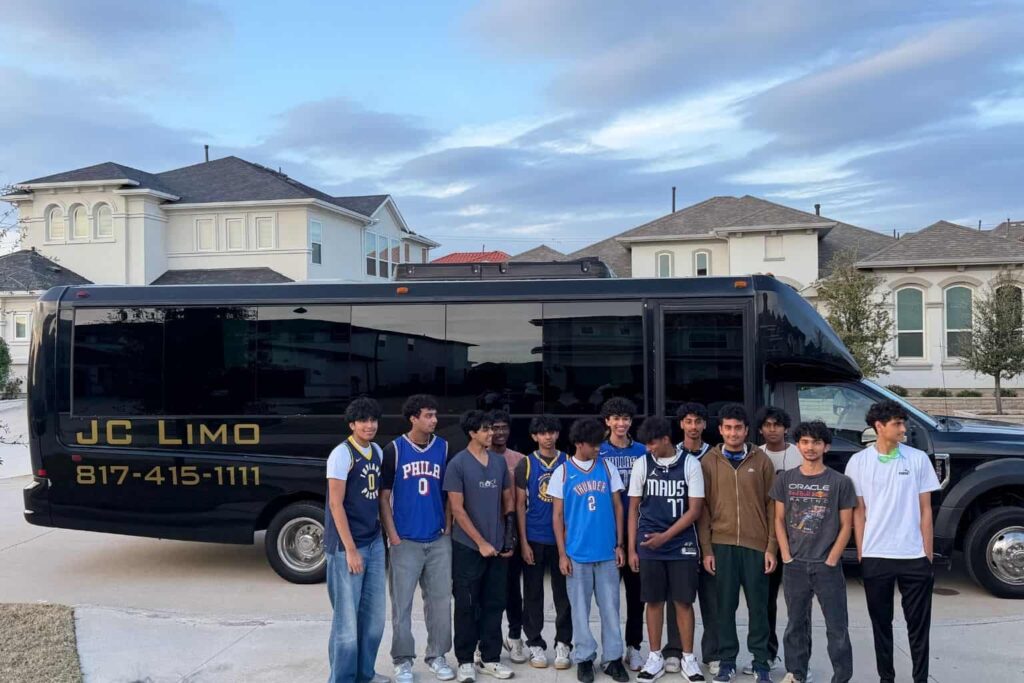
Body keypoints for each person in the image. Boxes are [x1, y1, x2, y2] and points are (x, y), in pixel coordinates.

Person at [845, 401, 940, 683]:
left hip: (914, 557)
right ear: (879, 427)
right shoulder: (858, 462)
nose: (903, 428)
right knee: (881, 625)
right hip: (876, 556)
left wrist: (928, 554)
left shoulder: (917, 459)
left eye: (903, 423)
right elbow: (858, 513)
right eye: (897, 424)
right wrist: (863, 553)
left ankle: (920, 679)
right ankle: (887, 678)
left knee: (919, 627)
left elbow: (926, 510)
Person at [771, 421, 856, 683]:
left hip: (826, 566)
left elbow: (846, 525)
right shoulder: (786, 479)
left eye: (816, 442)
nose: (810, 447)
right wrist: (785, 555)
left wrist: (832, 558)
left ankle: (841, 677)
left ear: (826, 446)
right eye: (805, 442)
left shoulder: (840, 482)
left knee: (837, 627)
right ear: (798, 445)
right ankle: (796, 673)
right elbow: (778, 520)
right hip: (794, 564)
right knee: (795, 624)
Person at [698, 403, 777, 683]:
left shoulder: (762, 461)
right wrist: (707, 549)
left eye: (738, 428)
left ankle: (760, 661)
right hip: (721, 545)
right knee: (724, 607)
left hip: (756, 547)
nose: (733, 433)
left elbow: (772, 506)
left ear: (746, 430)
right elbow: (703, 508)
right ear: (720, 430)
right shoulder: (708, 462)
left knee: (759, 607)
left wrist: (771, 547)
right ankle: (727, 660)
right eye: (728, 428)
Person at [380, 395, 456, 683]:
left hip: (437, 538)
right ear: (413, 418)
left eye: (435, 415)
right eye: (427, 415)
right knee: (401, 604)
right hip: (406, 540)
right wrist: (393, 536)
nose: (434, 420)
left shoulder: (444, 447)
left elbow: (450, 493)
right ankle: (402, 660)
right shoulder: (395, 450)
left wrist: (447, 528)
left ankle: (437, 655)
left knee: (439, 602)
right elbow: (384, 498)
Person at [551, 418, 630, 683]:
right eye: (594, 443)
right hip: (577, 554)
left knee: (610, 609)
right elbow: (557, 515)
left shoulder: (607, 467)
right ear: (579, 443)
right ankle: (584, 657)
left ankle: (612, 658)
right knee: (580, 610)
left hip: (607, 552)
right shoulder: (562, 472)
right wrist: (562, 554)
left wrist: (620, 544)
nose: (599, 447)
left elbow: (618, 506)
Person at [628, 416, 707, 683]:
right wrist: (631, 549)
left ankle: (688, 657)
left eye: (652, 443)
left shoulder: (690, 464)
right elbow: (632, 510)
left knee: (683, 601)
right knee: (653, 601)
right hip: (649, 543)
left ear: (665, 439)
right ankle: (654, 656)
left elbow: (695, 510)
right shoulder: (642, 464)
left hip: (681, 544)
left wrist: (666, 537)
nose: (648, 448)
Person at [444, 410, 517, 682]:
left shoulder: (498, 463)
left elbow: (508, 499)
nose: (492, 433)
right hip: (468, 547)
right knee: (466, 604)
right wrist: (481, 542)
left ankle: (490, 658)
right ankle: (465, 660)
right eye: (486, 429)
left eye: (492, 429)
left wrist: (508, 534)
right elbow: (457, 510)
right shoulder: (458, 464)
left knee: (494, 603)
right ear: (472, 433)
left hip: (497, 546)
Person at [326, 397, 389, 683]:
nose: (369, 425)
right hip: (347, 547)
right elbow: (336, 505)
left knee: (374, 620)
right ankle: (342, 678)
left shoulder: (376, 450)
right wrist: (351, 550)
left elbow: (379, 499)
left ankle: (366, 674)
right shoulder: (342, 454)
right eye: (363, 421)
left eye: (373, 420)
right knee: (347, 625)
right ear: (352, 424)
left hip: (374, 541)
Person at [664, 402, 720, 676]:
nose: (694, 426)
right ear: (681, 424)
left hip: (710, 533)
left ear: (705, 425)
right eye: (688, 421)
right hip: (678, 534)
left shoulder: (715, 455)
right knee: (678, 597)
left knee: (711, 599)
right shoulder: (670, 454)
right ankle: (674, 650)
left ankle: (712, 652)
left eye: (698, 421)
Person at [515, 415, 572, 670]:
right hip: (535, 539)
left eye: (552, 432)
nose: (548, 436)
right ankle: (535, 643)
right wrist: (523, 542)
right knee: (533, 594)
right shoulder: (525, 464)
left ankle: (563, 643)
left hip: (563, 541)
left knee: (564, 595)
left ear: (558, 434)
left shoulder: (568, 462)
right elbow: (518, 506)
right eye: (542, 433)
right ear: (534, 436)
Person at [598, 397, 648, 672]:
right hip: (607, 534)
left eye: (625, 418)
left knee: (636, 596)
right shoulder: (599, 451)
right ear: (607, 421)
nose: (621, 423)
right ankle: (611, 649)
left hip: (637, 533)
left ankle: (634, 647)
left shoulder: (642, 451)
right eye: (615, 418)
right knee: (608, 599)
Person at [752, 406, 803, 675]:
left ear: (786, 428)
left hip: (797, 537)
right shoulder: (755, 455)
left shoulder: (798, 453)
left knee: (797, 604)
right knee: (766, 601)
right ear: (760, 429)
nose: (772, 429)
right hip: (765, 538)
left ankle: (798, 663)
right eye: (767, 425)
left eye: (777, 424)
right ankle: (767, 653)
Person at [488, 409, 528, 664]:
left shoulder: (520, 460)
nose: (499, 432)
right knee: (489, 592)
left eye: (504, 427)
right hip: (485, 533)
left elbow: (524, 502)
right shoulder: (477, 459)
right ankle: (488, 640)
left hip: (511, 532)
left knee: (513, 590)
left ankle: (515, 637)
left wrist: (516, 536)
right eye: (494, 428)